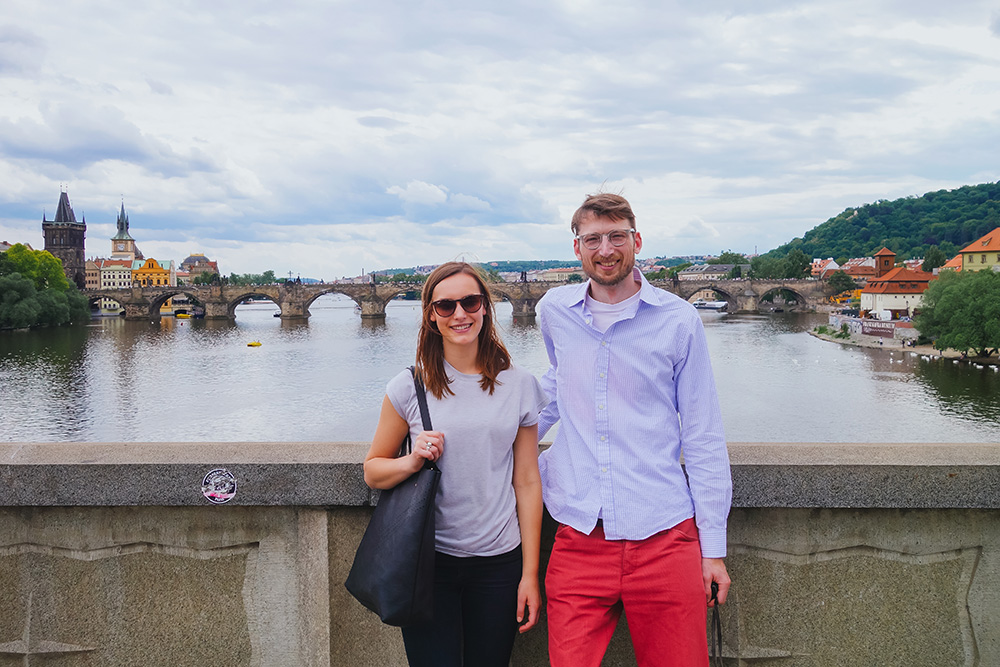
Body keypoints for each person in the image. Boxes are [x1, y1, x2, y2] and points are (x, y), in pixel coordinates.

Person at [537, 193, 733, 667]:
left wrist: (713, 549)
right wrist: (478, 428)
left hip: (665, 537)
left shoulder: (678, 320)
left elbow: (703, 435)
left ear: (636, 240)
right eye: (593, 239)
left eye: (616, 236)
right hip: (580, 535)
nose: (605, 249)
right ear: (577, 248)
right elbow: (553, 390)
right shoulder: (554, 311)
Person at [363, 261, 549, 667]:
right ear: (431, 314)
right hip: (430, 563)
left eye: (470, 301)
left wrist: (529, 575)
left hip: (499, 563)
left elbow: (528, 481)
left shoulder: (520, 385)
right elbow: (373, 470)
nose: (460, 314)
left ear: (485, 307)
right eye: (446, 306)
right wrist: (412, 460)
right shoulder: (410, 385)